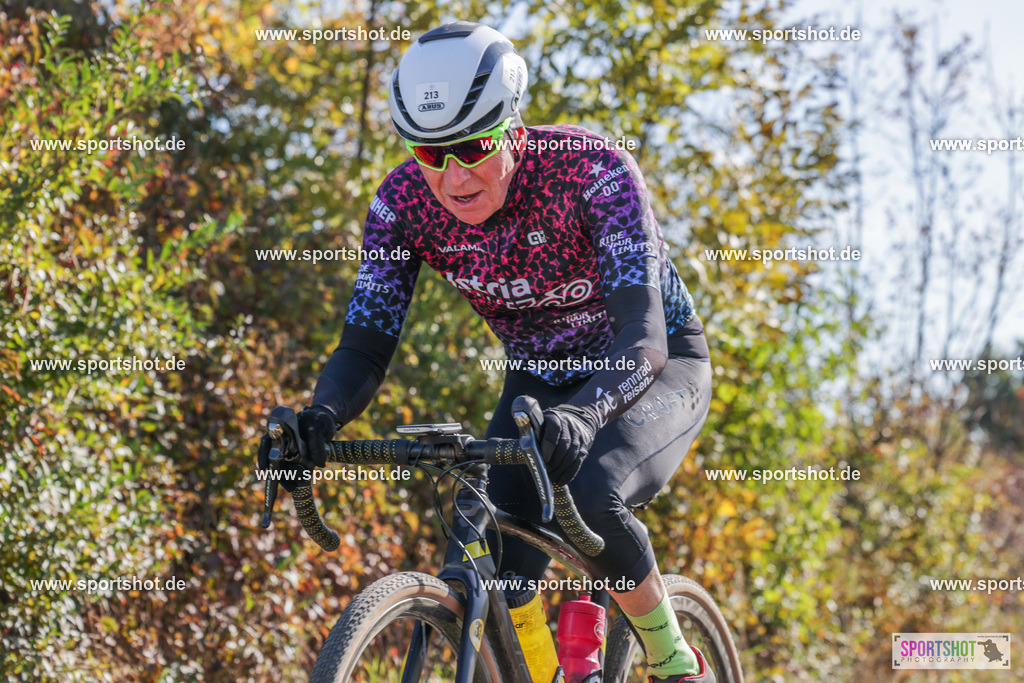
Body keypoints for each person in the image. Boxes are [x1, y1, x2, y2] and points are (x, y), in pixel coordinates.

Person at [269, 21, 714, 682]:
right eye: (429, 153)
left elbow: (642, 338)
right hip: (537, 381)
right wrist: (319, 418)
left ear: (512, 127)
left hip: (654, 366)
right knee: (488, 555)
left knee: (594, 490)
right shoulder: (402, 204)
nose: (452, 176)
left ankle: (677, 660)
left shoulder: (592, 170)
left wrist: (589, 415)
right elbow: (365, 345)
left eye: (472, 147)